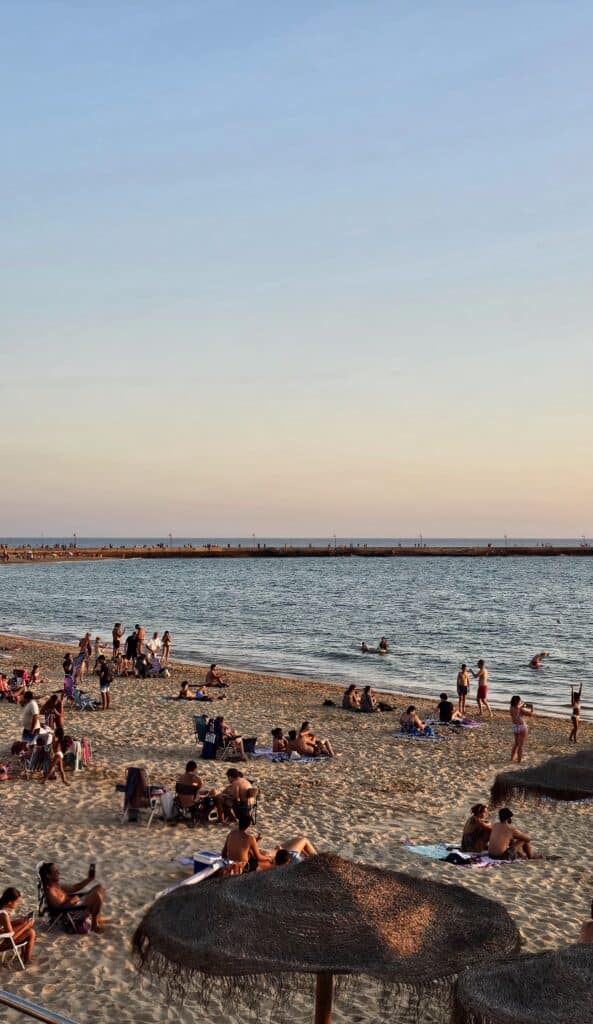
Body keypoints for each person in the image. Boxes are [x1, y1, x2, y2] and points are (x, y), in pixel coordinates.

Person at [39, 861, 106, 932]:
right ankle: (94, 925)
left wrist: (89, 879)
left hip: (74, 906)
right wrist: (75, 899)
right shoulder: (50, 892)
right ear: (48, 876)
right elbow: (61, 908)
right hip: (70, 913)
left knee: (99, 887)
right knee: (97, 895)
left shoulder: (57, 886)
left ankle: (96, 918)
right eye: (55, 872)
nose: (58, 873)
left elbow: (75, 887)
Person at [0, 887, 36, 964]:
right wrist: (26, 925)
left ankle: (24, 955)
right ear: (10, 902)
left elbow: (4, 925)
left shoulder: (1, 909)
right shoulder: (3, 915)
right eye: (17, 902)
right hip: (2, 943)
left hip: (2, 936)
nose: (18, 904)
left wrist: (19, 922)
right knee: (30, 932)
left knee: (22, 924)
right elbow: (11, 937)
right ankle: (27, 960)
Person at [510, 695, 534, 763]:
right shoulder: (520, 709)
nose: (521, 702)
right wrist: (532, 708)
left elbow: (518, 707)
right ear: (517, 702)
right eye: (520, 701)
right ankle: (519, 761)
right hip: (522, 727)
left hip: (515, 727)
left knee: (516, 744)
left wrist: (522, 704)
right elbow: (531, 714)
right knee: (520, 746)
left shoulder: (511, 707)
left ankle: (512, 758)